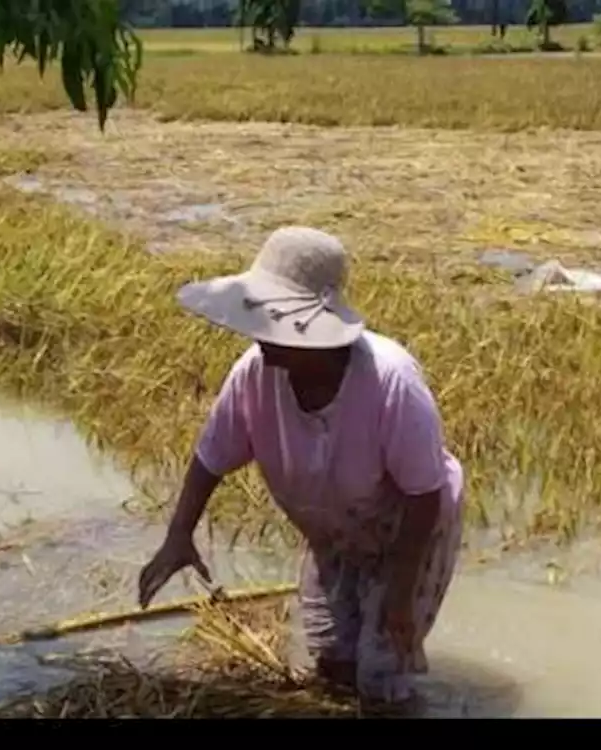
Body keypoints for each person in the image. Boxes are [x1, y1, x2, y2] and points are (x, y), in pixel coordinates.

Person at [137, 226, 464, 714]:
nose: (258, 335)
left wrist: (400, 592)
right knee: (332, 658)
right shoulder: (254, 373)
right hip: (334, 531)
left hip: (409, 532)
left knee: (380, 673)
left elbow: (423, 495)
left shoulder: (390, 382)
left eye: (273, 322)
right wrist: (178, 535)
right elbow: (211, 457)